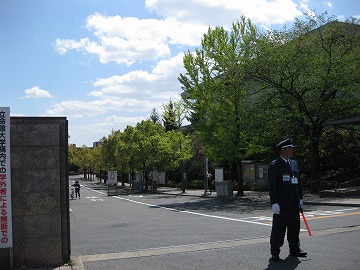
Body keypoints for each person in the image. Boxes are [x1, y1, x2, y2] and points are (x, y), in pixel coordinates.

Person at [268, 139, 307, 261]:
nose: (292, 151)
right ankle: (275, 252)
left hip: (294, 203)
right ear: (283, 150)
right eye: (290, 149)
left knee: (294, 229)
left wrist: (300, 198)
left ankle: (295, 249)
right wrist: (274, 202)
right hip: (282, 204)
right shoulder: (275, 165)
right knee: (279, 230)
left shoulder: (294, 163)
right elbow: (272, 185)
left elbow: (297, 183)